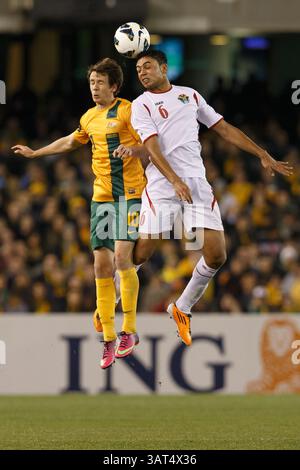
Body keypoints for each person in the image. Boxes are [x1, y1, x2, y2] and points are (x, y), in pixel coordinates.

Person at [114, 50, 293, 346]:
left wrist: (262, 153)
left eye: (147, 67)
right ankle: (114, 294)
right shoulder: (141, 104)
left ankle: (182, 308)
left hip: (195, 183)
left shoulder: (190, 96)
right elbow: (152, 147)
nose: (142, 72)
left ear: (164, 67)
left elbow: (223, 128)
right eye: (138, 70)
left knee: (217, 254)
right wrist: (174, 180)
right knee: (144, 250)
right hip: (162, 183)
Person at [12, 58, 149, 369]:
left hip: (130, 195)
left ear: (114, 86)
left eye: (100, 83)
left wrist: (133, 150)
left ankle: (130, 330)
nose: (95, 87)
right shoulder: (89, 117)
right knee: (100, 264)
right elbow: (70, 142)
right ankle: (109, 339)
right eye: (92, 83)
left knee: (122, 259)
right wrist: (37, 153)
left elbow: (150, 145)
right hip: (102, 199)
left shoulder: (129, 111)